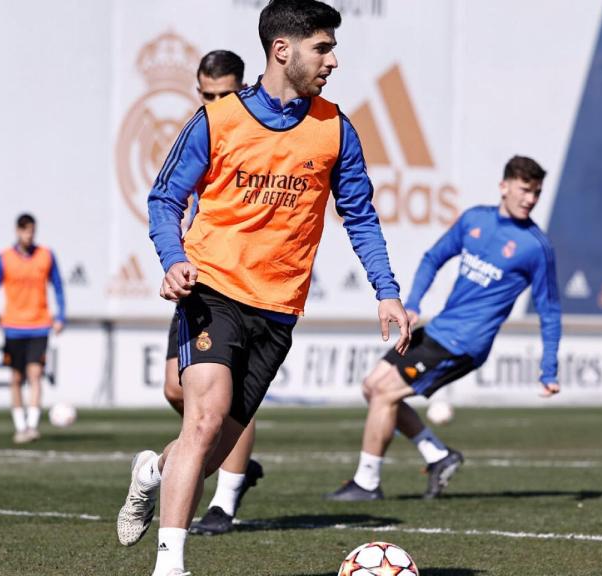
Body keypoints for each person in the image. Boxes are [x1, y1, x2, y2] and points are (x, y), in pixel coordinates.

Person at [116, 2, 411, 575]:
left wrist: (387, 289)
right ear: (283, 50)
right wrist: (174, 259)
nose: (333, 60)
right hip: (212, 289)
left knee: (208, 451)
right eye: (322, 48)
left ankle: (151, 473)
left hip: (277, 309)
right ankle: (169, 567)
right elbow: (163, 198)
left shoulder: (334, 128)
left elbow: (362, 216)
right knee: (204, 418)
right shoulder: (218, 119)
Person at [326, 155, 562, 502]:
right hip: (440, 329)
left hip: (464, 343)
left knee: (385, 392)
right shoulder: (474, 220)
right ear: (504, 186)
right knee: (372, 386)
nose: (530, 199)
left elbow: (550, 310)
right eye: (525, 190)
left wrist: (549, 368)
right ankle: (438, 455)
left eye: (536, 193)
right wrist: (415, 304)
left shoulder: (536, 247)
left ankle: (367, 482)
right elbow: (432, 258)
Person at [157, 49, 262, 537]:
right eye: (207, 94)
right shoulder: (203, 130)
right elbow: (170, 200)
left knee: (222, 402)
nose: (215, 102)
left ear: (243, 89)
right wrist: (174, 260)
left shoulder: (256, 133)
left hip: (241, 285)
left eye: (224, 94)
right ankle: (230, 451)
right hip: (199, 276)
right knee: (176, 389)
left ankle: (225, 499)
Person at [0, 213, 65, 444]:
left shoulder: (46, 256)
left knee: (35, 374)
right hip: (12, 327)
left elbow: (59, 287)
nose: (29, 236)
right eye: (25, 231)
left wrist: (60, 316)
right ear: (18, 231)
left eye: (32, 231)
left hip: (39, 325)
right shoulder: (4, 258)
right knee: (16, 377)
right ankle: (20, 426)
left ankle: (31, 426)